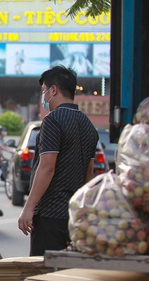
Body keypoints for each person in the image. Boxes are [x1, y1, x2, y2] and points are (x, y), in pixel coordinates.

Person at [18, 65, 98, 256]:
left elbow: (47, 167)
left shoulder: (53, 120)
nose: (44, 97)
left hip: (49, 215)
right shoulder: (88, 125)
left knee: (43, 274)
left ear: (53, 90)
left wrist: (28, 208)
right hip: (73, 215)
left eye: (44, 91)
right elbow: (89, 172)